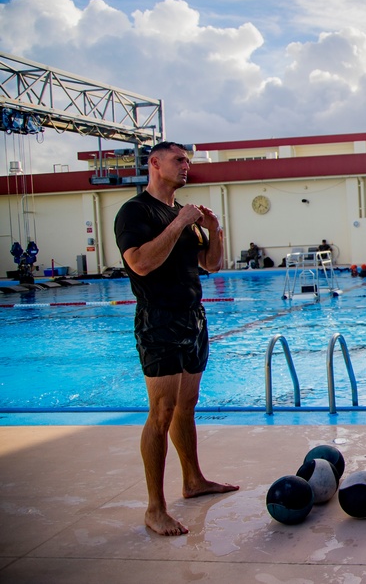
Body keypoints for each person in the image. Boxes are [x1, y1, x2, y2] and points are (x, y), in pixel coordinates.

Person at [113, 141, 238, 537]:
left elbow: (211, 264)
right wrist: (180, 223)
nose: (187, 166)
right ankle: (155, 508)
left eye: (188, 161)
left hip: (192, 318)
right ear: (155, 163)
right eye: (179, 160)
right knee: (162, 411)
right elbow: (141, 263)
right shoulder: (136, 212)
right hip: (159, 319)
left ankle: (193, 480)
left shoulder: (181, 214)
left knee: (187, 405)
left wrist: (214, 230)